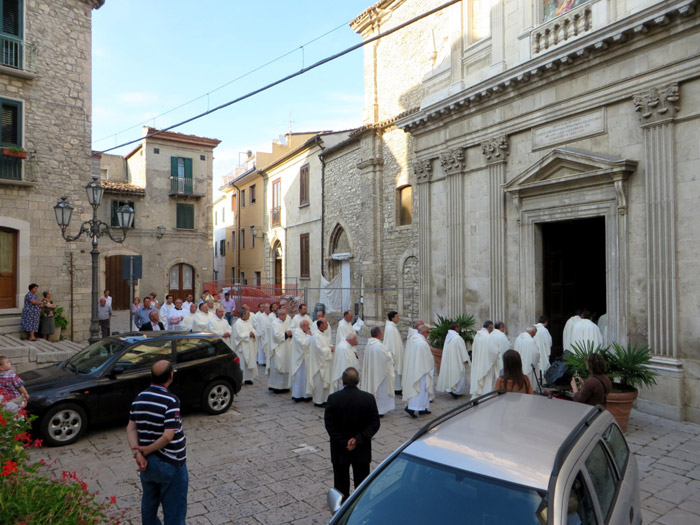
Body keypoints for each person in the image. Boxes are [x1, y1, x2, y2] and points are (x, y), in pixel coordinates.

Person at [126, 360, 188, 525]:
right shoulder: (171, 401)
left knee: (149, 507)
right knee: (174, 513)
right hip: (171, 462)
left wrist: (137, 453)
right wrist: (146, 450)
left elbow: (130, 428)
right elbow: (168, 436)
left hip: (147, 464)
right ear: (171, 377)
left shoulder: (139, 398)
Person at [324, 367, 380, 502]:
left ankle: (341, 511)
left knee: (340, 482)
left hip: (340, 449)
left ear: (342, 381)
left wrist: (344, 442)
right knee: (362, 483)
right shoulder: (368, 398)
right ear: (358, 380)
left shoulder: (333, 399)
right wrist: (358, 439)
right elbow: (374, 424)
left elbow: (329, 426)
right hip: (361, 448)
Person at [361, 326, 395, 415]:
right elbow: (386, 358)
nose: (382, 333)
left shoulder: (369, 344)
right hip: (380, 374)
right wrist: (390, 354)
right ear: (379, 334)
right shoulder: (379, 346)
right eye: (381, 332)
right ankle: (380, 410)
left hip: (372, 371)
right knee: (380, 392)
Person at [402, 324, 434, 418]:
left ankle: (423, 408)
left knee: (421, 391)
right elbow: (428, 359)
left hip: (414, 368)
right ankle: (411, 408)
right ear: (423, 332)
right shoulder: (422, 343)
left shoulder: (412, 339)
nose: (429, 334)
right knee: (420, 390)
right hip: (421, 371)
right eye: (428, 332)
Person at [436, 322, 470, 398]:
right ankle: (457, 392)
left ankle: (451, 389)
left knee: (451, 374)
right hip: (458, 360)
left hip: (450, 360)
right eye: (458, 327)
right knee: (460, 374)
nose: (459, 329)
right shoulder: (458, 338)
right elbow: (462, 350)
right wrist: (466, 359)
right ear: (456, 328)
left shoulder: (448, 337)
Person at [307, 318, 334, 407]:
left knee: (324, 383)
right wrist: (330, 349)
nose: (327, 325)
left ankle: (324, 400)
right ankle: (319, 401)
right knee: (319, 383)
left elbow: (326, 345)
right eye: (326, 323)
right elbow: (320, 350)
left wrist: (330, 347)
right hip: (319, 364)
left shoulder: (323, 334)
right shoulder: (317, 336)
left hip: (325, 362)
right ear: (321, 325)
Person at [269, 307, 292, 393]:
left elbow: (291, 330)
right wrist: (286, 334)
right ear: (278, 315)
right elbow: (276, 336)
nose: (285, 316)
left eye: (285, 314)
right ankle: (276, 386)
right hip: (279, 347)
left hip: (287, 347)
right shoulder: (275, 323)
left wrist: (290, 333)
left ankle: (286, 386)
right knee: (278, 366)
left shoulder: (287, 321)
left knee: (287, 365)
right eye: (283, 314)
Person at [232, 306, 257, 384]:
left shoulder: (248, 322)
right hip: (242, 346)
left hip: (249, 345)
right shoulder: (238, 323)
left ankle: (249, 378)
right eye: (248, 314)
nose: (249, 315)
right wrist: (247, 335)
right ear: (243, 315)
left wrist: (253, 334)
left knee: (250, 361)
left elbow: (253, 330)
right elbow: (237, 335)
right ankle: (242, 379)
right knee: (242, 362)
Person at [470, 321, 494, 397]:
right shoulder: (488, 337)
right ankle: (484, 397)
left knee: (478, 378)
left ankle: (476, 396)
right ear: (489, 327)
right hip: (485, 363)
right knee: (486, 381)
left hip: (477, 362)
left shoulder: (477, 335)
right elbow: (492, 351)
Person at [290, 319, 313, 401]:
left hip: (306, 359)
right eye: (307, 326)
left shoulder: (304, 332)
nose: (309, 328)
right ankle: (298, 395)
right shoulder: (297, 332)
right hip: (300, 360)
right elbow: (304, 344)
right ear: (302, 326)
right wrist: (309, 336)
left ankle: (306, 395)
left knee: (306, 377)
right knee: (300, 377)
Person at [383, 311, 404, 395]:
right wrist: (392, 354)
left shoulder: (392, 327)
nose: (398, 318)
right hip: (393, 353)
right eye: (397, 316)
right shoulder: (391, 329)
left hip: (396, 352)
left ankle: (398, 387)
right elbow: (390, 343)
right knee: (395, 370)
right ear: (392, 318)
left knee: (397, 371)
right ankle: (396, 388)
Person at [514, 325, 540, 390]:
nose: (535, 335)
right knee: (529, 382)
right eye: (535, 333)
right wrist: (536, 361)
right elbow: (536, 353)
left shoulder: (518, 338)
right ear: (532, 332)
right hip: (528, 364)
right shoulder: (530, 341)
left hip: (519, 364)